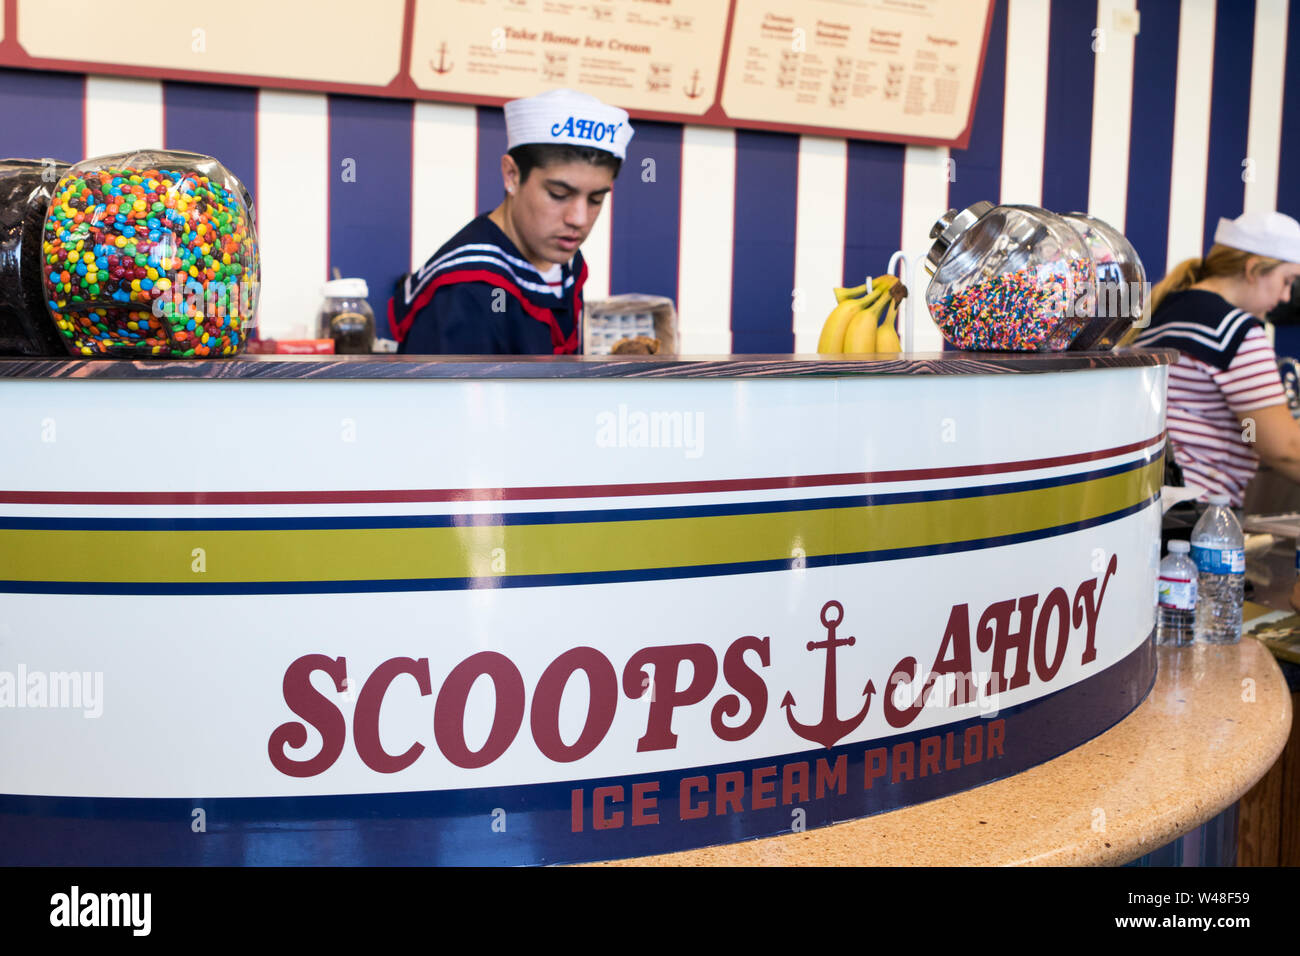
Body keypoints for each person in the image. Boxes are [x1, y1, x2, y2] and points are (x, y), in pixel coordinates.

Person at [390, 89, 633, 355]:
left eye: (596, 199)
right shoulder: (467, 292)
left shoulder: (562, 260)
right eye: (559, 195)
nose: (579, 219)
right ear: (512, 176)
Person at [1134, 211, 1300, 508]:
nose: (1286, 296)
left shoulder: (1161, 314)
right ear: (1253, 270)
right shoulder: (1233, 332)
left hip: (1155, 500)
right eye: (1287, 281)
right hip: (1200, 507)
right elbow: (1284, 448)